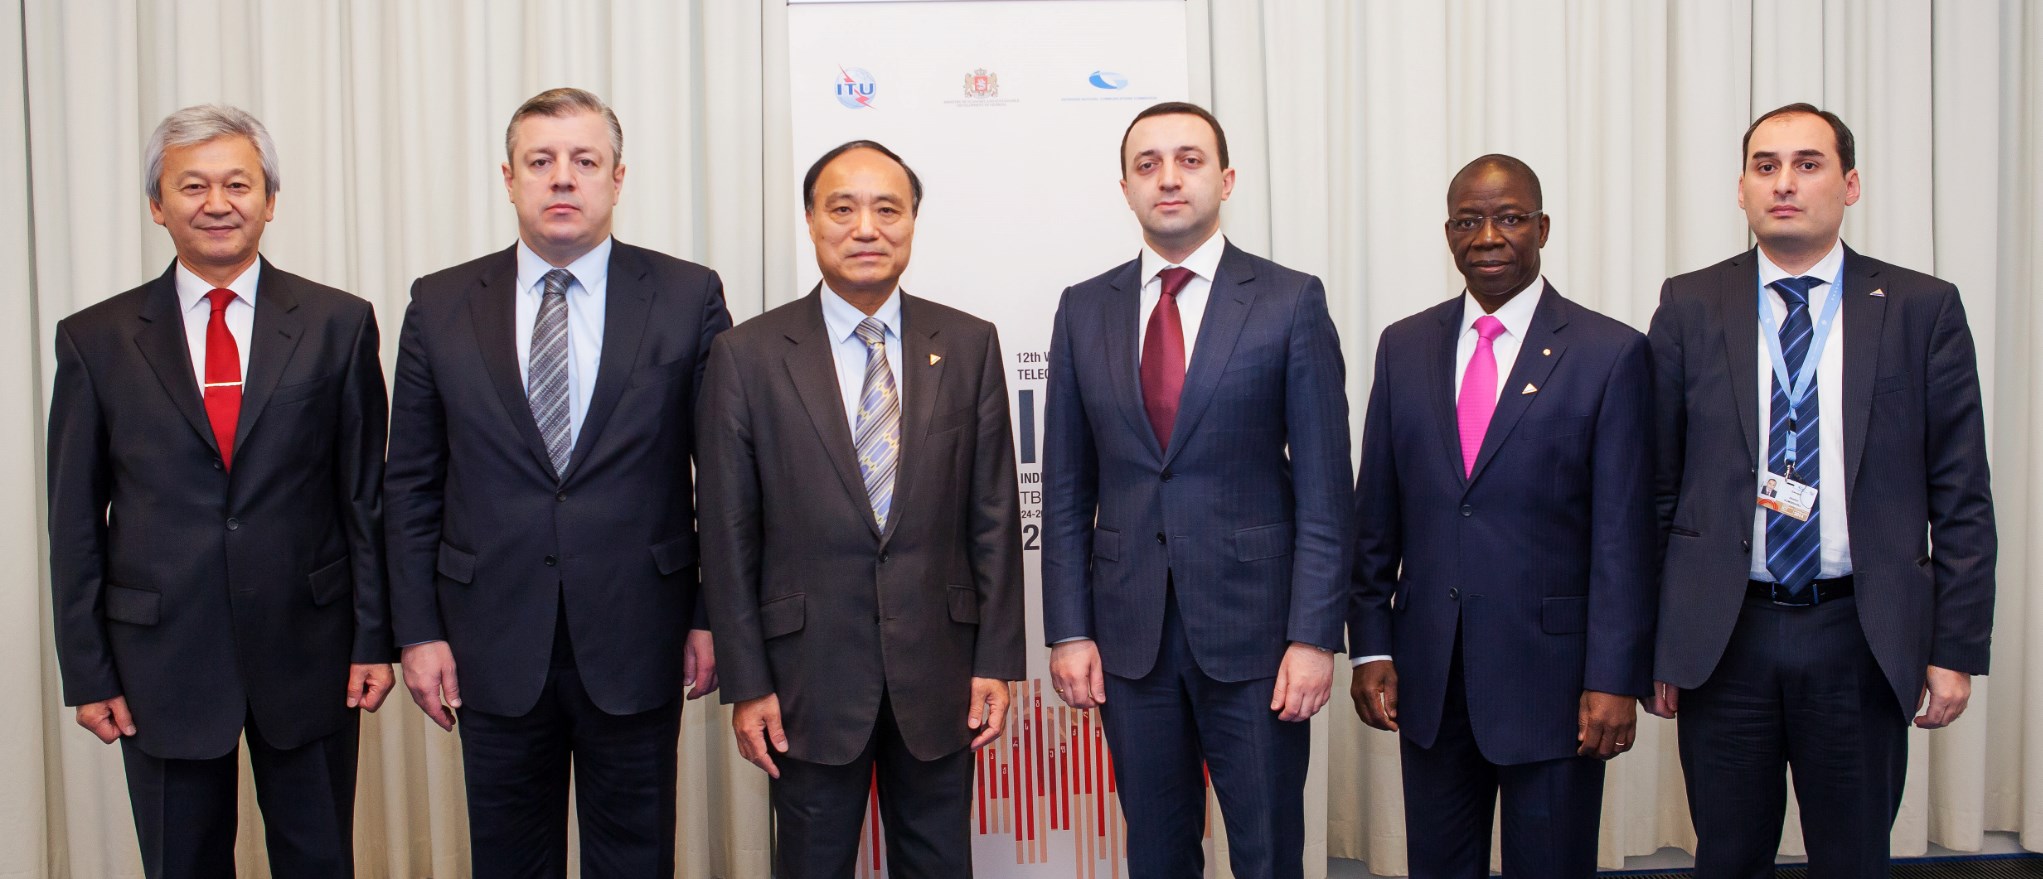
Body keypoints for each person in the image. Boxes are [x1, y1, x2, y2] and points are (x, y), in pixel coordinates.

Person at [384, 87, 729, 877]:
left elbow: (725, 476)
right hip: (488, 637)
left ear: (617, 177)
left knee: (635, 859)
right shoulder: (439, 304)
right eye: (541, 162)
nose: (562, 179)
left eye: (584, 161)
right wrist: (418, 629)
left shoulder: (686, 296)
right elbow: (409, 482)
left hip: (641, 633)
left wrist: (713, 615)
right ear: (509, 178)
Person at [1647, 103, 1996, 877]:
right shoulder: (1688, 305)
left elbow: (1962, 494)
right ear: (1740, 188)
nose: (1784, 183)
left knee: (1852, 856)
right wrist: (1658, 640)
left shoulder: (1919, 308)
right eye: (1765, 166)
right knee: (1727, 855)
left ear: (1850, 182)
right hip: (1723, 634)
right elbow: (1658, 490)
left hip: (1859, 635)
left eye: (1807, 164)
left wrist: (1954, 649)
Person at [47, 104, 392, 878]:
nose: (217, 202)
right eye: (192, 184)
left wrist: (376, 636)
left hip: (312, 648)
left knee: (318, 858)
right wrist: (89, 668)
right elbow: (73, 519)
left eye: (238, 183)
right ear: (156, 204)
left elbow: (365, 496)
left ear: (270, 199)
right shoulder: (95, 339)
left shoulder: (338, 324)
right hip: (158, 657)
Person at [1041, 102, 1352, 879]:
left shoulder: (1289, 300)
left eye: (1188, 159)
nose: (1168, 178)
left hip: (1257, 635)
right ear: (1124, 187)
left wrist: (1314, 636)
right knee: (1154, 848)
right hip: (1129, 636)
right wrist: (1068, 629)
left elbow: (1324, 490)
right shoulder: (1085, 308)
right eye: (1147, 164)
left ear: (1226, 178)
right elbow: (1068, 486)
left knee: (1267, 848)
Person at [698, 140, 1024, 878]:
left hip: (941, 670)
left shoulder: (968, 343)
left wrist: (996, 662)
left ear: (913, 221)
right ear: (811, 221)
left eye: (887, 208)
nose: (865, 227)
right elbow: (727, 531)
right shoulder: (746, 355)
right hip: (803, 676)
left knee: (939, 863)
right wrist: (747, 682)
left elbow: (994, 513)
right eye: (842, 208)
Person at [1348, 155, 1655, 878]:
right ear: (1448, 233)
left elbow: (1622, 536)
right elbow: (1375, 516)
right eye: (1468, 220)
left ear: (1542, 227)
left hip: (1555, 685)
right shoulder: (1405, 346)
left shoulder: (1609, 354)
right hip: (1428, 677)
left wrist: (1614, 677)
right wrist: (1368, 646)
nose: (1488, 235)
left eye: (1510, 217)